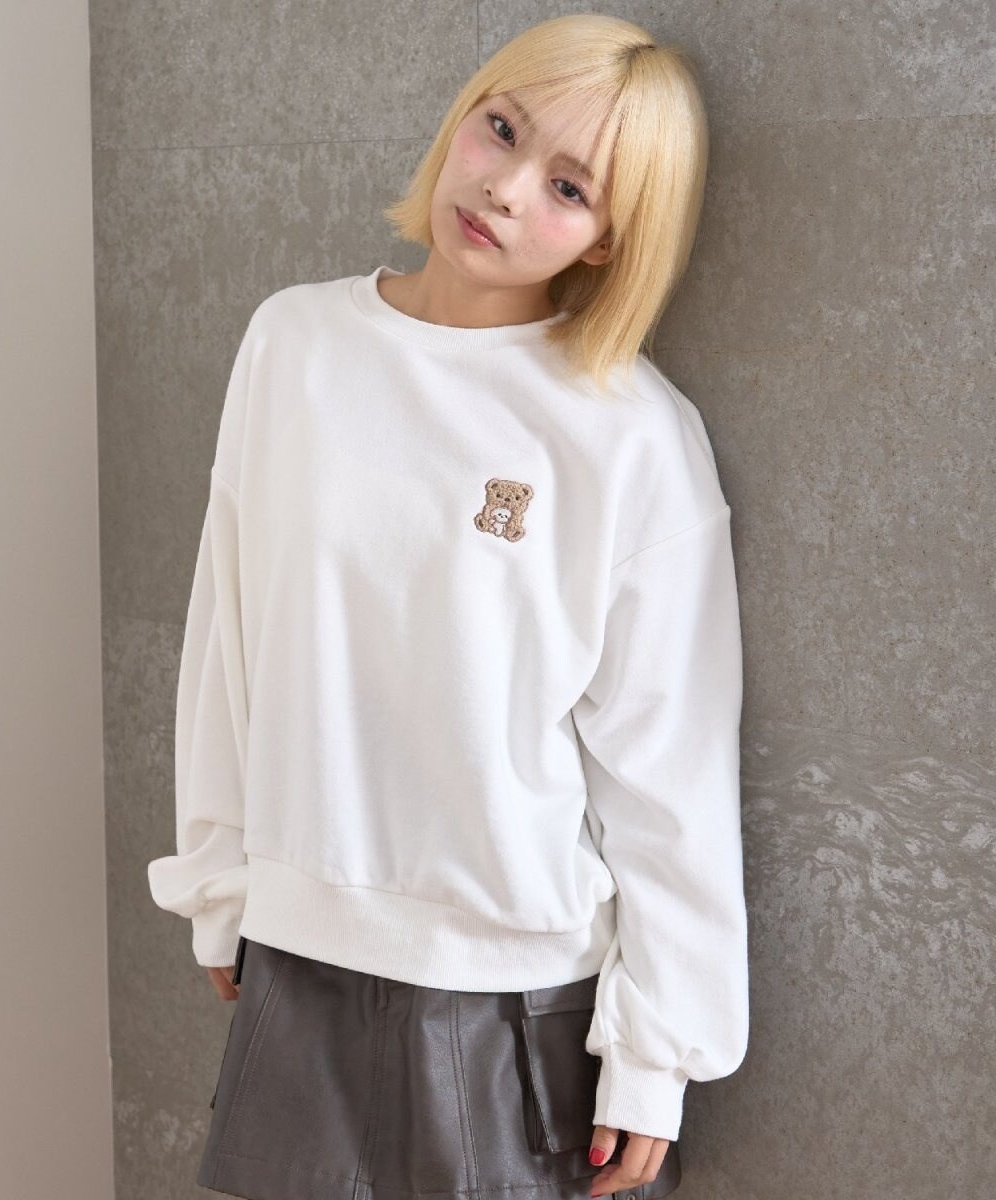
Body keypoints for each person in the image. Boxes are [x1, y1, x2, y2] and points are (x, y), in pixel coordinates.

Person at [147, 13, 748, 1200]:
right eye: (502, 129)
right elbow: (230, 635)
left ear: (609, 238)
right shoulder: (294, 344)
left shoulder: (631, 434)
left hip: (515, 1001)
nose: (505, 189)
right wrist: (222, 883)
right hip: (296, 957)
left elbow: (670, 767)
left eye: (569, 187)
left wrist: (656, 1055)